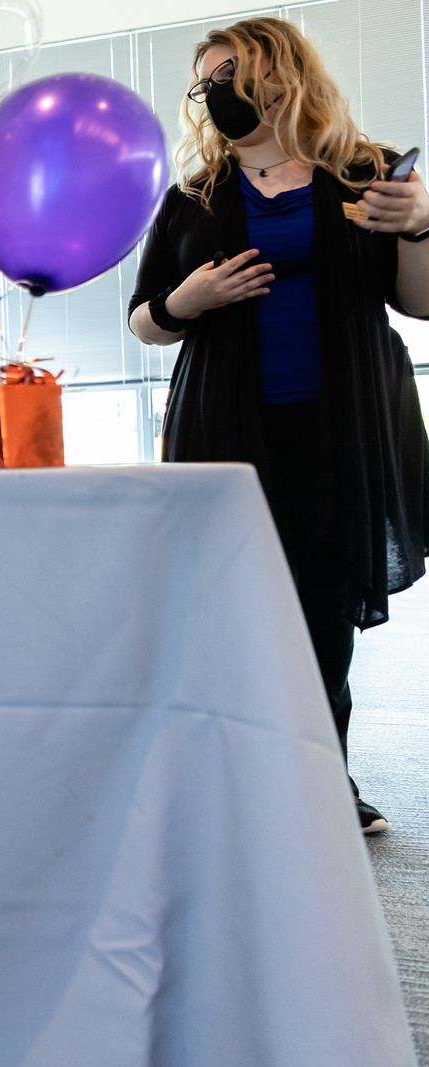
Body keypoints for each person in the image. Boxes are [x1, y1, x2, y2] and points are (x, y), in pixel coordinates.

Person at [127, 17, 429, 833]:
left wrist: (421, 226)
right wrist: (187, 301)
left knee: (326, 608)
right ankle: (243, 778)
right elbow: (145, 319)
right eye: (205, 83)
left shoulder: (366, 173)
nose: (215, 91)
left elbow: (420, 301)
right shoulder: (196, 197)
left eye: (229, 72)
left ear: (279, 71)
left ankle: (324, 778)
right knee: (237, 607)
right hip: (225, 428)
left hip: (346, 423)